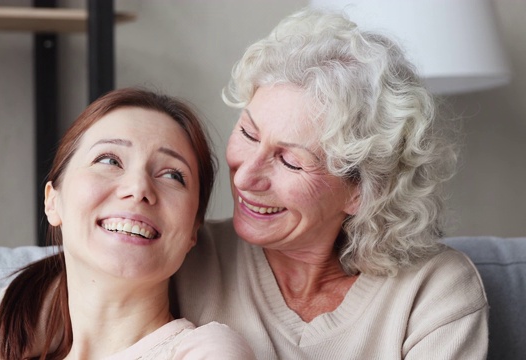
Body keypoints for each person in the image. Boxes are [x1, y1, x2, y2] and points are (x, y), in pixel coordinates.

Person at [173, 8, 488, 359]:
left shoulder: (433, 290)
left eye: (290, 161)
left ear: (363, 190)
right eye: (248, 133)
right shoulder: (182, 257)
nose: (245, 176)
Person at [0, 88, 255, 359]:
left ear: (193, 231)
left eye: (173, 175)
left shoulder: (206, 352)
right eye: (110, 160)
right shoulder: (7, 320)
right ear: (53, 200)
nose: (138, 188)